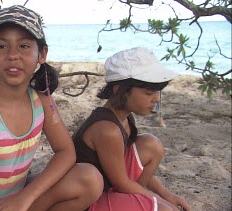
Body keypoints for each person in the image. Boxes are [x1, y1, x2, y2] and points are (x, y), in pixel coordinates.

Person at [0, 5, 103, 211]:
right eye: (2, 46)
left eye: (24, 46)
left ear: (42, 54)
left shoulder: (43, 102)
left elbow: (66, 152)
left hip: (17, 197)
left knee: (89, 178)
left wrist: (26, 197)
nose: (13, 55)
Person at [73, 47, 191, 211]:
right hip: (89, 199)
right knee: (164, 209)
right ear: (119, 90)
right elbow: (121, 183)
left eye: (157, 92)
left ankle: (135, 200)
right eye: (149, 93)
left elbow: (125, 173)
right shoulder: (107, 129)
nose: (156, 99)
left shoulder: (124, 117)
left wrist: (167, 195)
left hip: (110, 184)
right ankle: (135, 201)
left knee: (151, 144)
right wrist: (161, 202)